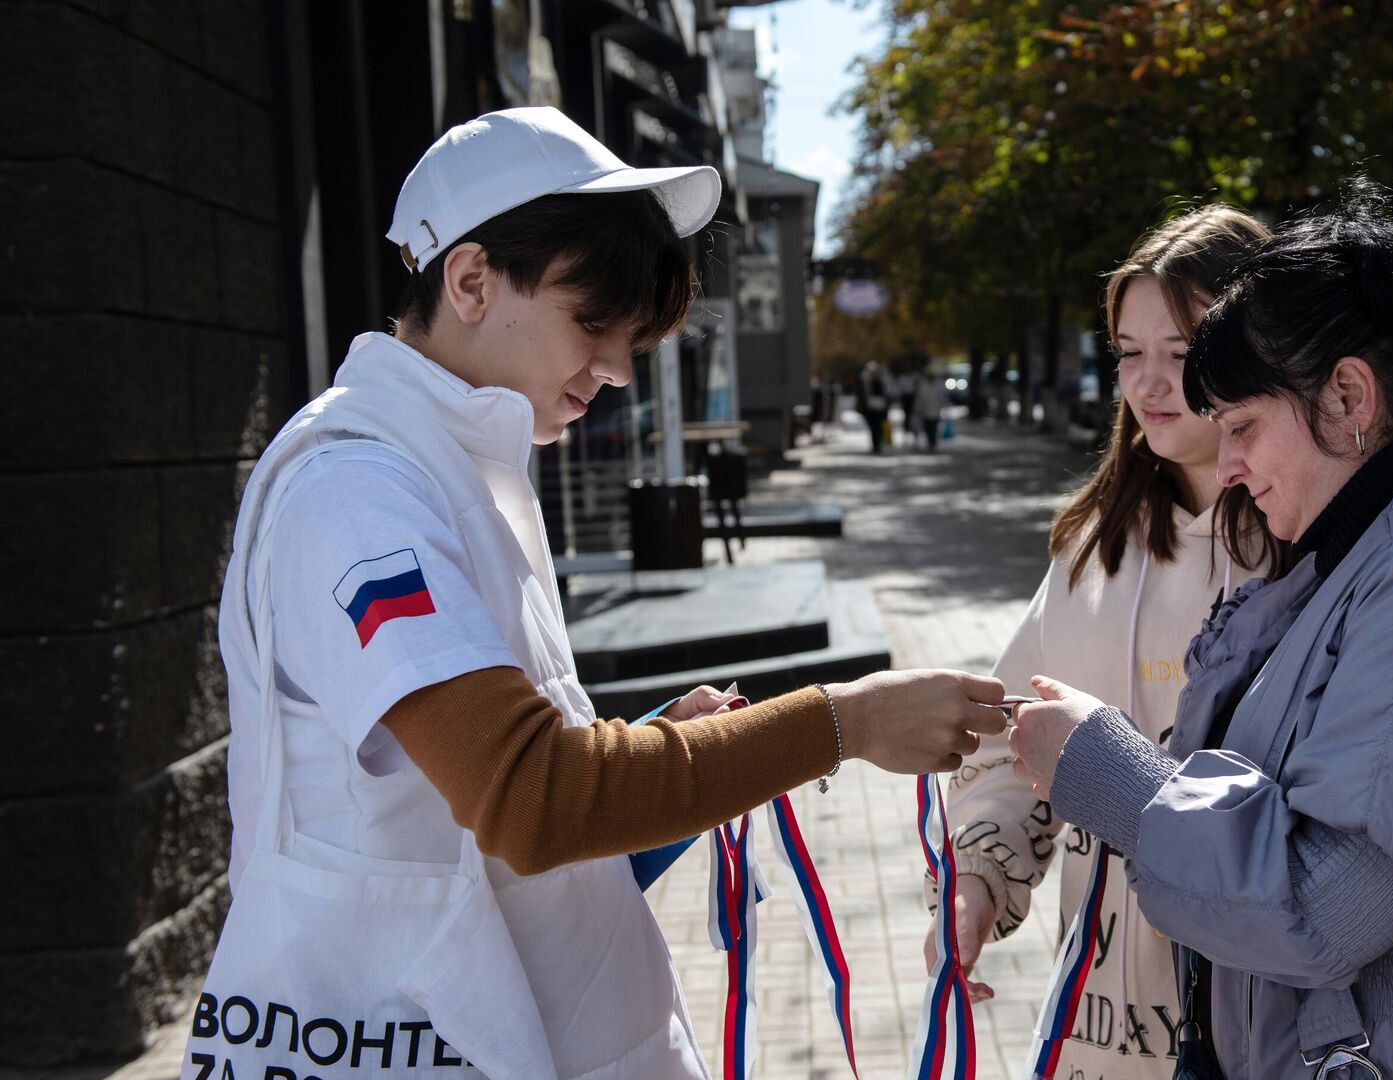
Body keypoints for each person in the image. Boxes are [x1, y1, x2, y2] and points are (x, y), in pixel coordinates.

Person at [190, 107, 1006, 1080]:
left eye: (632, 335)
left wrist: (670, 742)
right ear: (471, 280)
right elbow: (533, 802)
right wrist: (841, 723)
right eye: (595, 324)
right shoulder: (358, 495)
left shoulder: (454, 466)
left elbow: (495, 796)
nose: (618, 370)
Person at [1004, 181, 1393, 1078]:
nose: (1232, 464)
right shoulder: (1354, 566)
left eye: (1247, 426)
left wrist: (1109, 771)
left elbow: (1321, 910)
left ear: (1347, 396)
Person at [931, 205, 1287, 1078]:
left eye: (1184, 350)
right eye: (1131, 352)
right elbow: (1011, 739)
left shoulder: (1306, 548)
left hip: (1266, 1023)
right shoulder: (1091, 548)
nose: (1151, 383)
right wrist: (978, 883)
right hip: (1097, 1029)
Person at [913, 363, 949, 449]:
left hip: (935, 410)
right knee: (927, 427)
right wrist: (917, 407)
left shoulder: (938, 384)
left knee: (934, 427)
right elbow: (920, 397)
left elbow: (942, 397)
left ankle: (933, 442)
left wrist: (944, 406)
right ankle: (930, 441)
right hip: (925, 410)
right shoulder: (923, 384)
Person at [859, 360, 891, 452]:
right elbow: (862, 395)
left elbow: (885, 394)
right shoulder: (864, 380)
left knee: (878, 427)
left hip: (879, 408)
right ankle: (875, 444)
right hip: (869, 408)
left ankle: (878, 444)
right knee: (873, 427)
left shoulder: (881, 380)